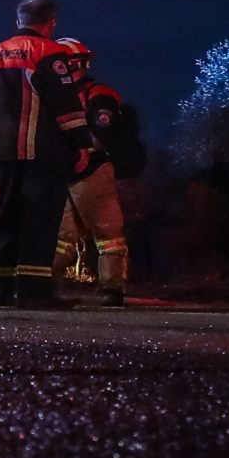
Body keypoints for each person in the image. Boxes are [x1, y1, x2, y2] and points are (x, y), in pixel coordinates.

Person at [0, 0, 97, 308]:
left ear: (18, 20)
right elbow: (65, 104)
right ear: (51, 22)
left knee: (6, 219)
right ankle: (34, 292)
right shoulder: (49, 52)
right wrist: (81, 142)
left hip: (0, 154)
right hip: (41, 153)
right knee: (39, 221)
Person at [50, 38, 145, 308]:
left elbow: (102, 133)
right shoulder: (59, 96)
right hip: (64, 172)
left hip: (92, 170)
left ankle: (112, 289)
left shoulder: (98, 94)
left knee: (108, 234)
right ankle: (41, 285)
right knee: (62, 237)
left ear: (73, 65)